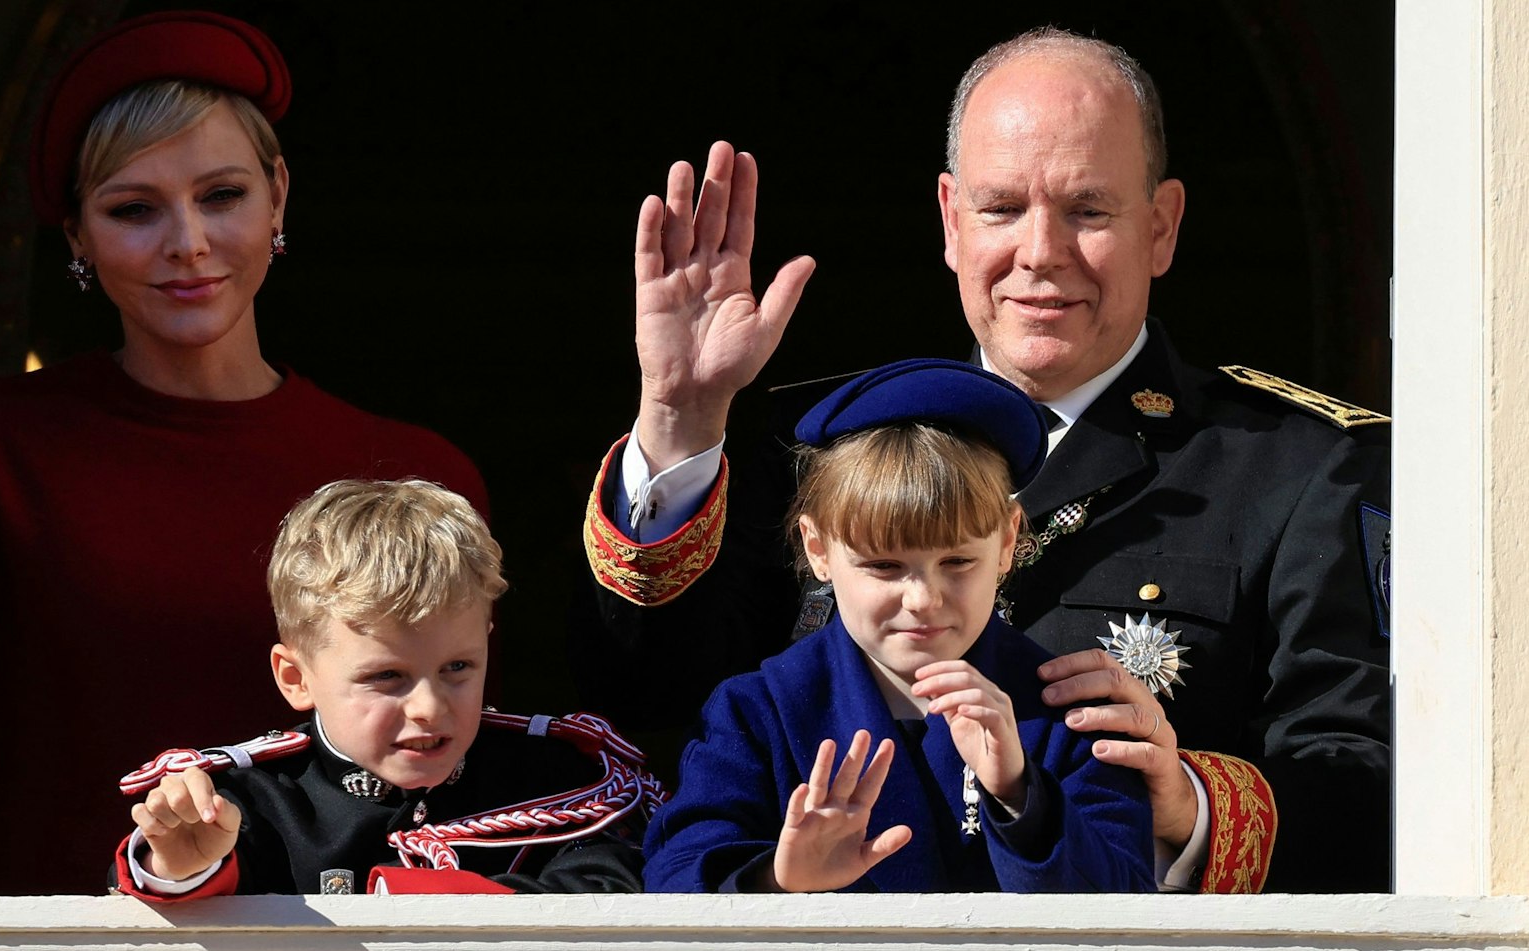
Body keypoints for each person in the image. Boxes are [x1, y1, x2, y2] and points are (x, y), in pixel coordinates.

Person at [581, 28, 1389, 893]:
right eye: (1002, 208)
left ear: (1161, 226)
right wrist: (682, 417)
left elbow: (1383, 794)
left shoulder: (1302, 470)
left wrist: (1187, 802)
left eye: (1088, 210)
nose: (1041, 252)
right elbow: (646, 711)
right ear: (950, 221)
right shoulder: (818, 446)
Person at [0, 12, 484, 894]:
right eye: (134, 209)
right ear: (75, 236)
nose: (188, 242)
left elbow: (453, 775)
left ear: (279, 195)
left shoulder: (409, 470)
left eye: (222, 196)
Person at [644, 359, 1152, 894]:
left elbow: (1127, 913)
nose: (924, 599)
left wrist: (1022, 795)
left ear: (1007, 542)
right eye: (884, 566)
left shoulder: (1068, 716)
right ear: (817, 549)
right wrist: (776, 882)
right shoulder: (757, 712)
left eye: (957, 563)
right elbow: (675, 877)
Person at [115, 480, 655, 899]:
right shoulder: (253, 804)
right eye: (387, 677)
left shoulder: (557, 783)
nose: (428, 707)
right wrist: (183, 867)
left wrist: (420, 902)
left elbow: (610, 894)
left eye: (458, 666)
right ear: (295, 678)